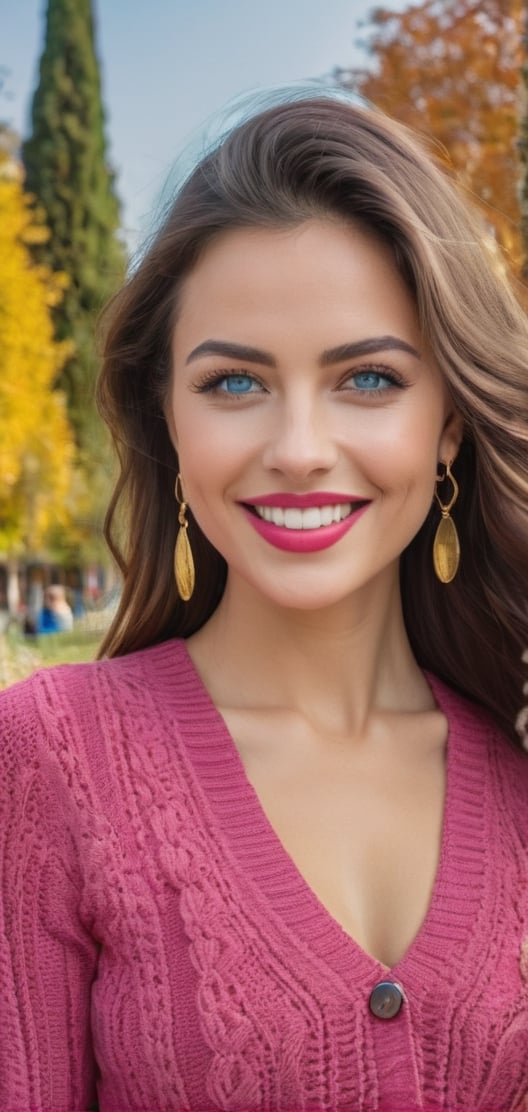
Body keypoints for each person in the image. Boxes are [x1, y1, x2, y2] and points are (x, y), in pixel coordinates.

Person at [1, 95, 527, 1112]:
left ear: (450, 423)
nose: (297, 447)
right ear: (166, 416)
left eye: (368, 378)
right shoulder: (49, 757)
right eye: (235, 384)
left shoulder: (516, 761)